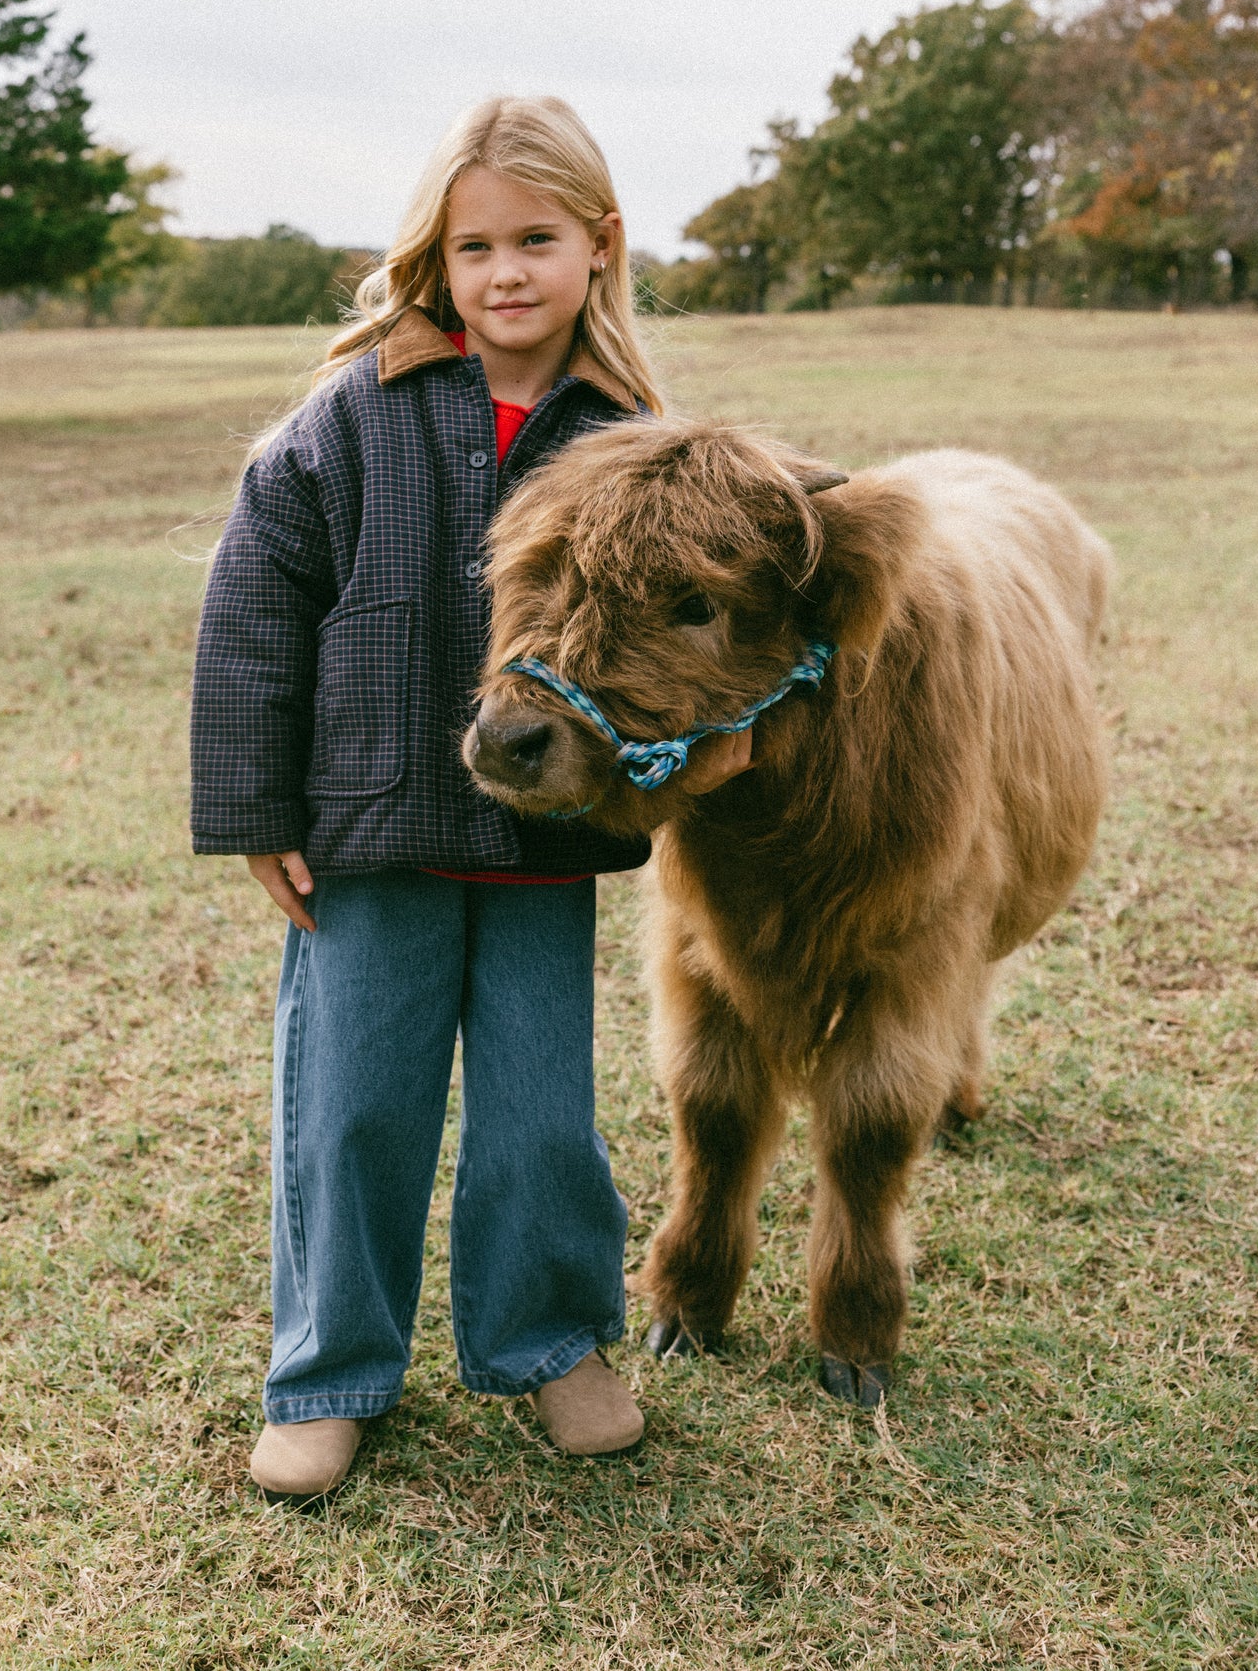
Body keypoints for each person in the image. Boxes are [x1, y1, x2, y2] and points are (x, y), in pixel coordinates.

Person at [190, 95, 750, 1500]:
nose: (504, 272)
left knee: (539, 1119)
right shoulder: (351, 416)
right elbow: (257, 607)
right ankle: (326, 1374)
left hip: (545, 840)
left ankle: (552, 1342)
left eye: (536, 240)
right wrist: (256, 806)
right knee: (353, 1111)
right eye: (473, 244)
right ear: (433, 256)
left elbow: (708, 633)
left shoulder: (634, 439)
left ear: (600, 245)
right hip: (368, 838)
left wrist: (694, 763)